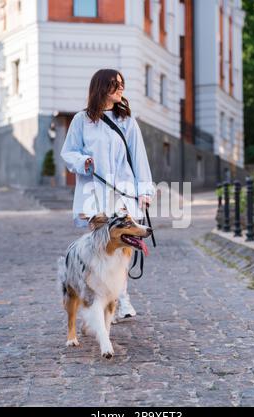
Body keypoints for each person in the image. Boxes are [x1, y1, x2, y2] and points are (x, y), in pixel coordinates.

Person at [60, 69, 155, 320]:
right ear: (102, 87)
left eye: (123, 84)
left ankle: (122, 299)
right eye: (115, 84)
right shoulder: (81, 120)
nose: (121, 88)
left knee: (124, 248)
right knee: (100, 250)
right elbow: (68, 153)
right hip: (95, 195)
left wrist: (144, 190)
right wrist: (84, 161)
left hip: (124, 194)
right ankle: (103, 299)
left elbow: (138, 159)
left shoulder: (127, 121)